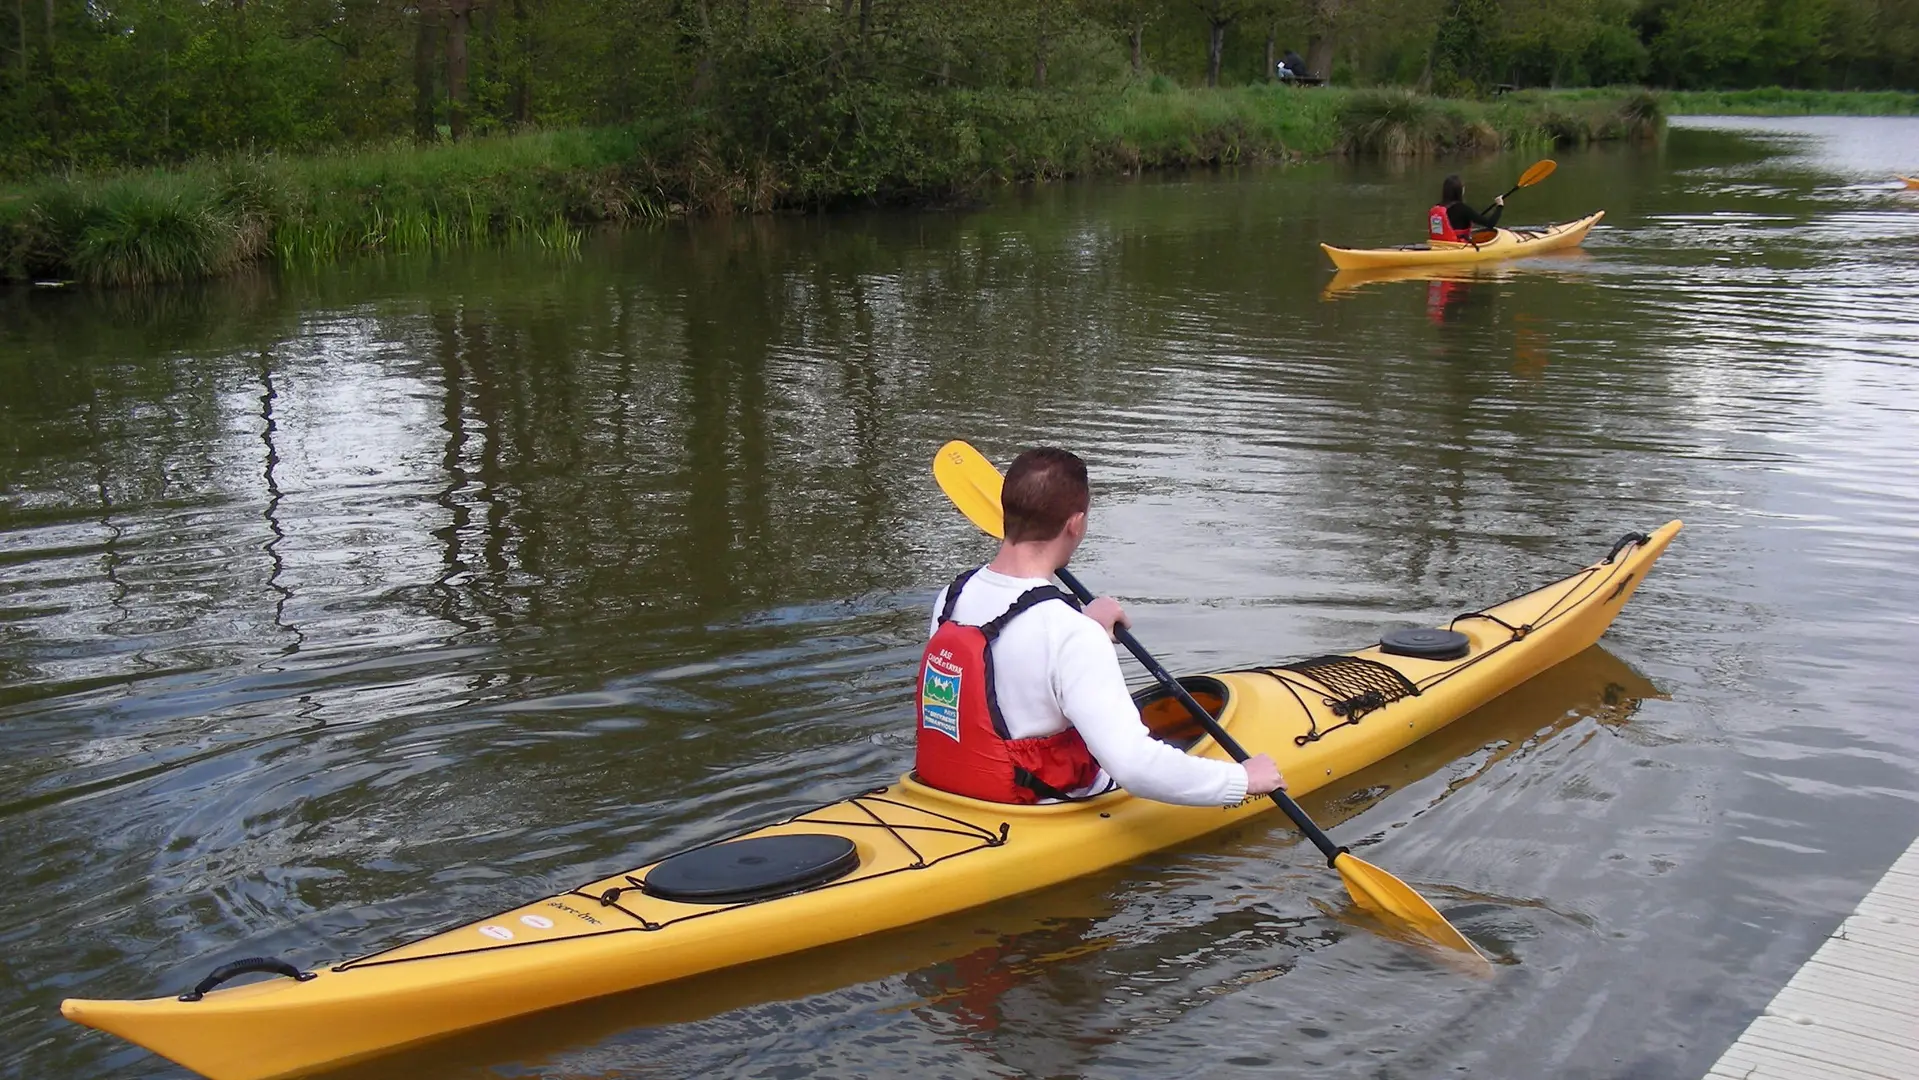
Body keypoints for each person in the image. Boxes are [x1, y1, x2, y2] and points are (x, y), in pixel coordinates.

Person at [915, 447, 1285, 807]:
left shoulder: (953, 597)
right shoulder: (1070, 633)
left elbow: (1005, 671)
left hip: (952, 785)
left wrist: (1085, 625)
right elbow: (1135, 767)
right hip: (1040, 802)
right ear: (1075, 524)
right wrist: (1243, 779)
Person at [1430, 173, 1503, 243]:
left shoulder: (1437, 207)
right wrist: (1500, 206)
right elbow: (1490, 223)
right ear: (1459, 191)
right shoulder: (1463, 209)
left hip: (1438, 244)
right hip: (1458, 246)